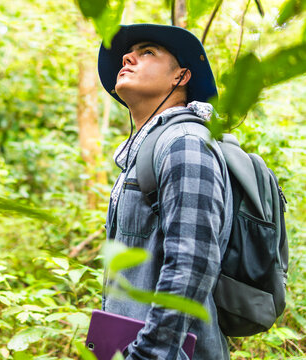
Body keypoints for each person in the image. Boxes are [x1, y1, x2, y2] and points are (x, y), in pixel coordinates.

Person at [98, 24, 233, 359]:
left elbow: (192, 263)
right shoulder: (148, 150)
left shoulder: (185, 142)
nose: (127, 57)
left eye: (147, 52)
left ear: (181, 76)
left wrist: (149, 352)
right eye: (129, 54)